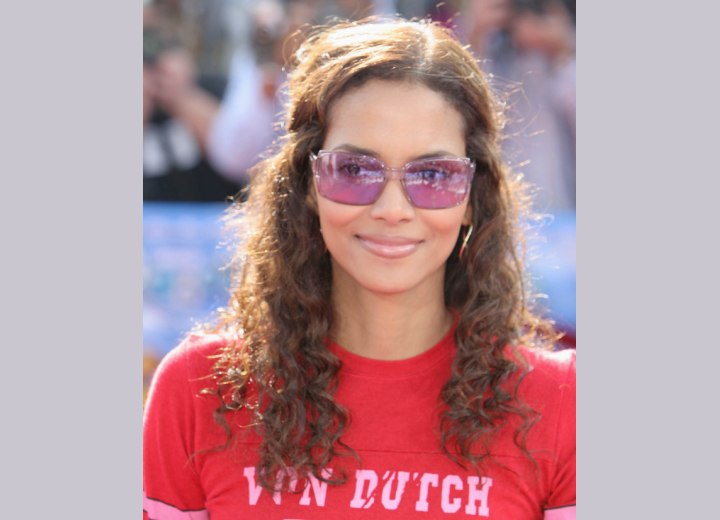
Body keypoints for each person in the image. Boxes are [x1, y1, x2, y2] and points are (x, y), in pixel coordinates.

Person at [143, 17, 576, 519]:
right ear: (306, 185)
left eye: (432, 173)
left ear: (474, 199)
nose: (393, 208)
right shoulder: (199, 392)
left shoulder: (561, 405)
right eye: (354, 170)